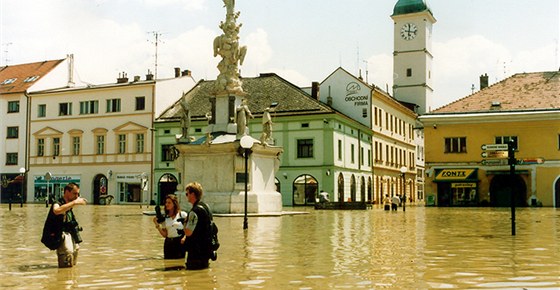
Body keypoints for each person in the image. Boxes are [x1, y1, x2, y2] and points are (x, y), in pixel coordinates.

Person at [51, 182, 87, 268]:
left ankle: (71, 276)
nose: (77, 196)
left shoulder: (69, 204)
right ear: (67, 192)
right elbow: (56, 210)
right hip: (61, 233)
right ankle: (63, 278)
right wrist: (75, 202)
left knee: (76, 250)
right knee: (67, 253)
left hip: (70, 231)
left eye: (78, 194)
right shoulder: (58, 203)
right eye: (74, 193)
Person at [183, 182, 214, 270]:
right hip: (206, 249)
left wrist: (185, 223)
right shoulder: (206, 207)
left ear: (192, 194)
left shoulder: (194, 211)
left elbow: (188, 232)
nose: (186, 196)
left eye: (187, 194)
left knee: (191, 279)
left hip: (195, 251)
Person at [153, 194, 188, 259]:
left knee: (180, 263)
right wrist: (157, 225)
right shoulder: (165, 218)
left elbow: (188, 229)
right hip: (168, 244)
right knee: (167, 263)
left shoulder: (182, 215)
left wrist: (185, 237)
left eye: (169, 202)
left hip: (179, 242)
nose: (167, 204)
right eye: (166, 202)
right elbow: (165, 234)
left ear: (174, 204)